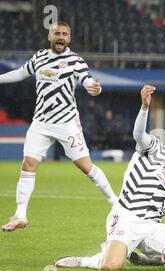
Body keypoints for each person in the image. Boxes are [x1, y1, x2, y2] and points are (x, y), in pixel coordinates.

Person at [54, 85, 165, 270]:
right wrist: (144, 107)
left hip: (151, 227)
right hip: (126, 217)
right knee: (111, 265)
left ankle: (155, 258)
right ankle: (85, 261)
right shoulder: (152, 147)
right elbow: (138, 134)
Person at [0, 22, 117, 232]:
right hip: (41, 123)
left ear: (69, 38)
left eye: (64, 34)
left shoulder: (76, 61)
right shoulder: (39, 57)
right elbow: (19, 73)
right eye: (57, 33)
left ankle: (115, 203)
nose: (60, 37)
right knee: (28, 164)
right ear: (49, 36)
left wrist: (95, 88)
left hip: (67, 123)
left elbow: (88, 81)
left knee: (86, 168)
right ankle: (20, 214)